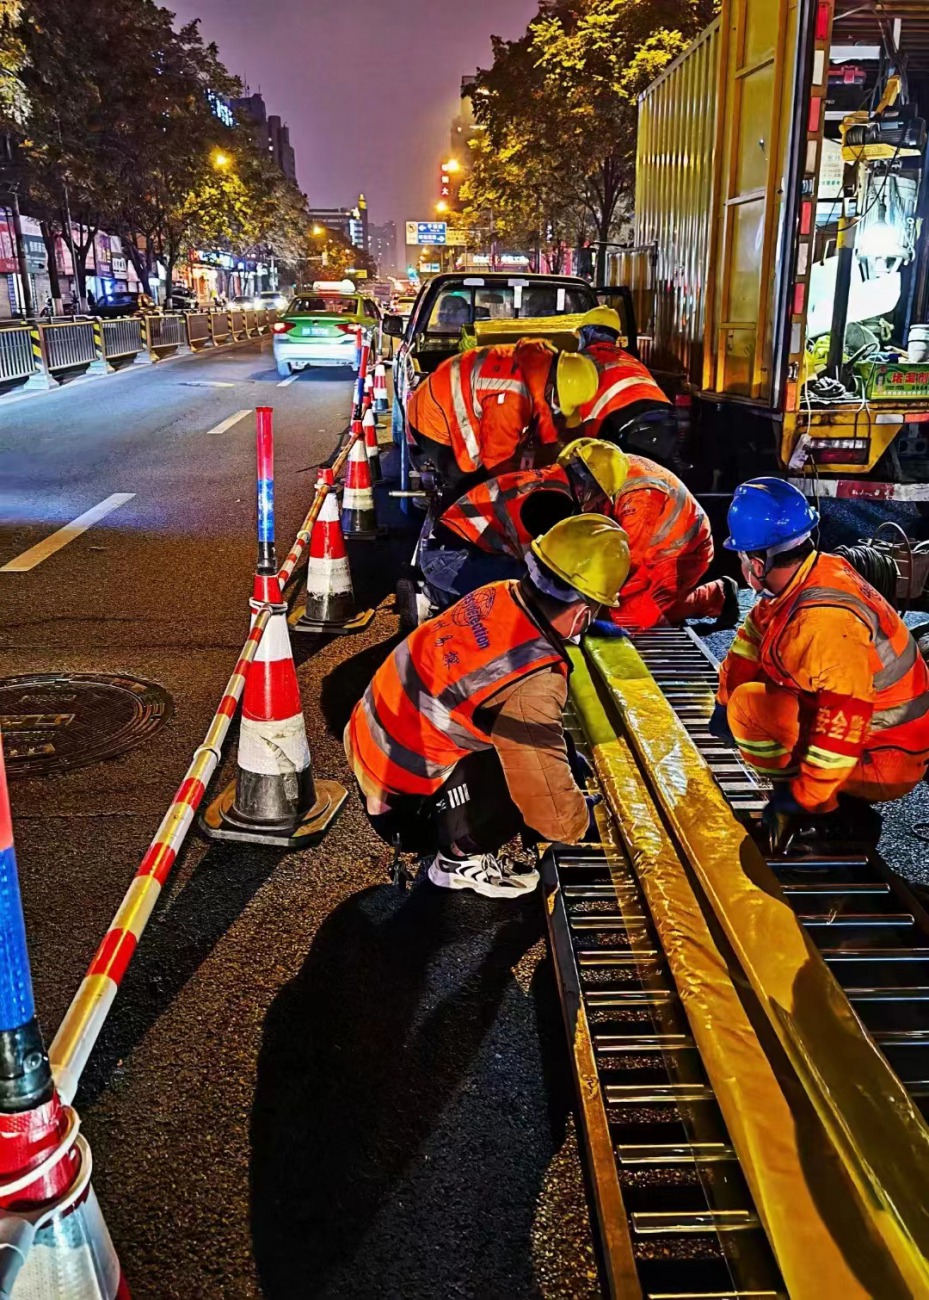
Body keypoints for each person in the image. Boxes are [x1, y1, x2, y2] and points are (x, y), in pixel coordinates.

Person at [345, 514, 631, 898]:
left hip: (369, 749)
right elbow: (550, 809)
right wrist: (589, 826)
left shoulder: (497, 593)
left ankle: (452, 826)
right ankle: (457, 861)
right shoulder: (534, 680)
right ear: (582, 613)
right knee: (529, 775)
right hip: (401, 809)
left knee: (540, 744)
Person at [710, 478, 929, 851]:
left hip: (884, 755)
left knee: (750, 709)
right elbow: (749, 642)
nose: (742, 564)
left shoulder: (824, 623)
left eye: (743, 557)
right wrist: (721, 701)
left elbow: (842, 730)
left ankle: (830, 821)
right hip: (878, 734)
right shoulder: (810, 576)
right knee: (743, 698)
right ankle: (821, 799)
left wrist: (800, 799)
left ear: (759, 563)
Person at [419, 438, 629, 610]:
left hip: (447, 551)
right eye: (599, 499)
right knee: (536, 591)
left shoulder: (550, 481)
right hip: (451, 561)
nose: (595, 504)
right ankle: (441, 599)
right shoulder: (555, 502)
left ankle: (442, 595)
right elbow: (543, 567)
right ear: (591, 489)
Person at [405, 337, 598, 504]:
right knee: (471, 486)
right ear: (551, 389)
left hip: (448, 392)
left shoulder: (540, 360)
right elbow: (497, 461)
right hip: (434, 415)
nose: (557, 409)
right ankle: (453, 530)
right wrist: (518, 494)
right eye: (558, 402)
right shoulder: (512, 400)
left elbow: (543, 413)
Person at [591, 454, 738, 634]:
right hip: (657, 544)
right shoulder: (601, 464)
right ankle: (715, 595)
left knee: (627, 615)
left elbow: (630, 568)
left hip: (679, 553)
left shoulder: (638, 499)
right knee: (617, 609)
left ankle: (714, 599)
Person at [575, 307, 671, 449]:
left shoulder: (581, 361)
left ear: (586, 334)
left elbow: (571, 418)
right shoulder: (631, 360)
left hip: (621, 422)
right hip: (666, 415)